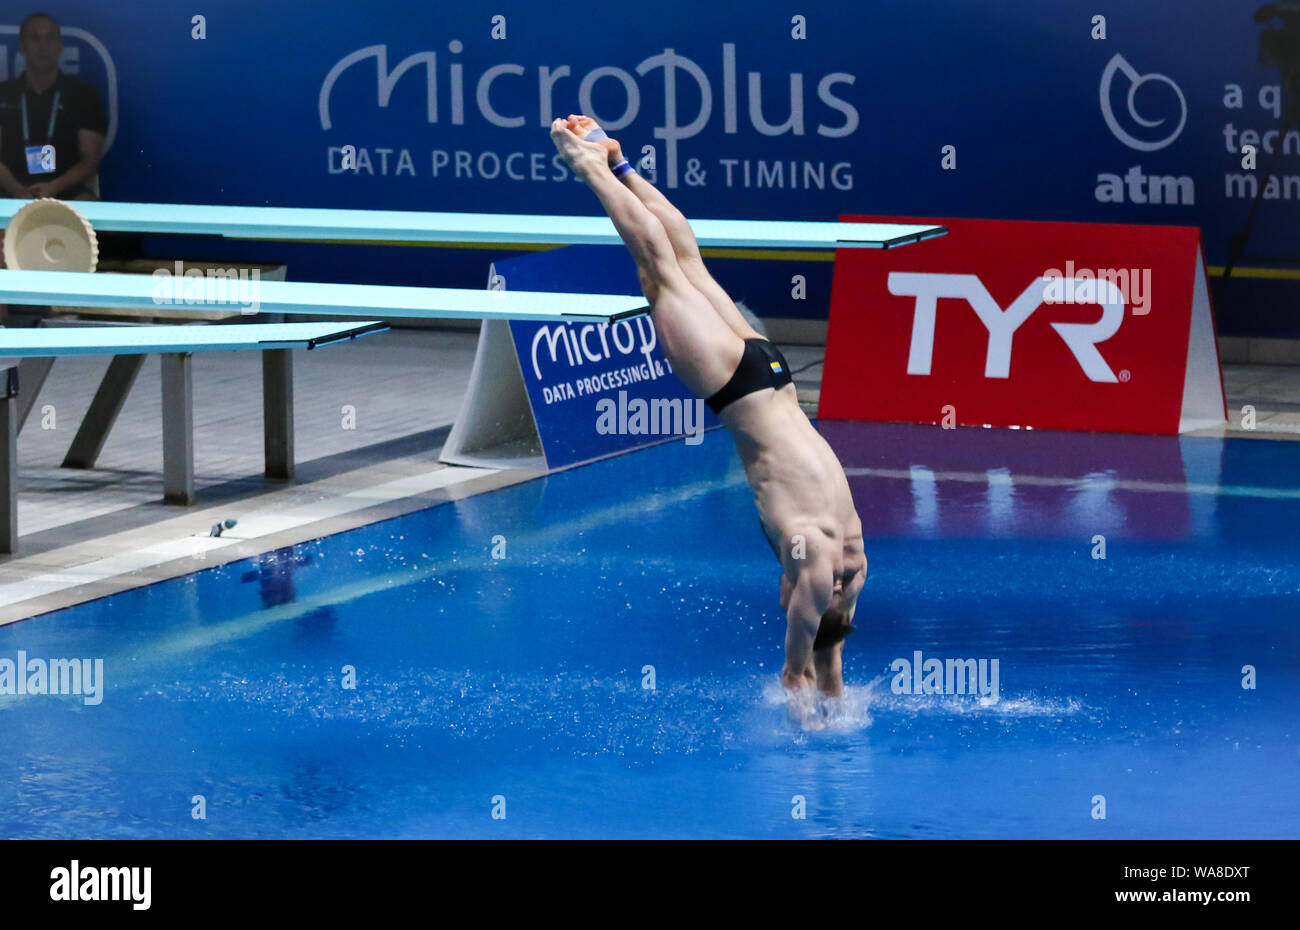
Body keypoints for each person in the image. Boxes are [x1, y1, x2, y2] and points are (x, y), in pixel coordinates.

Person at [550, 114, 867, 707]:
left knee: (690, 263)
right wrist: (799, 686)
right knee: (661, 274)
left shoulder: (855, 560)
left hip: (771, 373)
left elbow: (832, 639)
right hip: (736, 388)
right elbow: (806, 646)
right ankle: (592, 167)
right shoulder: (818, 562)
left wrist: (833, 689)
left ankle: (621, 162)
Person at [0, 12, 106, 202]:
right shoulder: (3, 94)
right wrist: (17, 190)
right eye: (35, 38)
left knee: (86, 206)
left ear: (60, 46)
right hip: (10, 195)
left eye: (50, 38)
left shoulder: (83, 95)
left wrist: (54, 187)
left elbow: (90, 160)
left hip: (67, 194)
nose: (43, 46)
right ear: (22, 47)